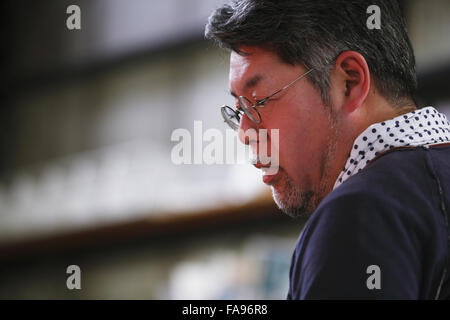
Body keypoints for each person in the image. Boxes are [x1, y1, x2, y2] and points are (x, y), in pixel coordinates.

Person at [205, 0, 450, 299]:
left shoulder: (360, 213)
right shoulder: (430, 179)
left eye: (258, 101)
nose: (245, 133)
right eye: (238, 110)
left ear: (350, 81)